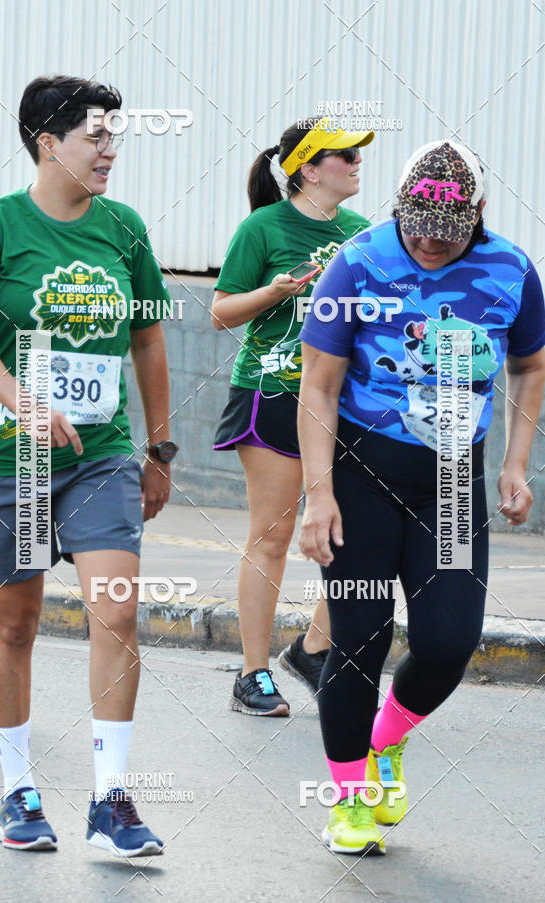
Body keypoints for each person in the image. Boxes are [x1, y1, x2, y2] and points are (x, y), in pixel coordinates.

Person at [0, 75, 176, 855]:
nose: (111, 150)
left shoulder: (125, 230)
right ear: (49, 143)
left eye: (115, 136)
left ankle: (112, 800)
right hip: (4, 455)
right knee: (15, 623)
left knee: (116, 610)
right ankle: (18, 791)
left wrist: (161, 447)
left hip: (100, 454)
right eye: (96, 136)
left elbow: (148, 340)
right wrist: (21, 401)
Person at [298, 140, 545, 855]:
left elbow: (531, 365)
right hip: (361, 471)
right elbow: (317, 384)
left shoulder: (510, 269)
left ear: (479, 217)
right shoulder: (360, 261)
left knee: (448, 641)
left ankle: (386, 743)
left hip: (453, 481)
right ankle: (348, 798)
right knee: (360, 638)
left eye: (447, 233)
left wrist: (515, 462)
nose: (429, 245)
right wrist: (319, 495)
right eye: (415, 228)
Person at [212, 117, 373, 716]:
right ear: (308, 167)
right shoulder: (263, 227)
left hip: (342, 402)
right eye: (345, 155)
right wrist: (275, 292)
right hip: (273, 392)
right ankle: (251, 674)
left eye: (358, 154)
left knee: (347, 536)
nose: (357, 163)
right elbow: (222, 312)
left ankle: (310, 649)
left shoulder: (365, 234)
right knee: (274, 535)